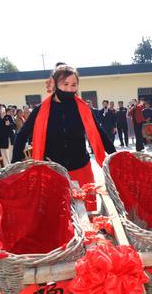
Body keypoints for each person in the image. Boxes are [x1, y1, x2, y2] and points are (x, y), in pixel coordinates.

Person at [11, 64, 116, 210]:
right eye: (65, 84)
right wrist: (14, 165)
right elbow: (22, 135)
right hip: (53, 172)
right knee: (57, 214)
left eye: (74, 85)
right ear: (55, 84)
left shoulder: (83, 109)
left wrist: (115, 156)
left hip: (82, 170)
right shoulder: (41, 110)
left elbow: (100, 134)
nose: (69, 89)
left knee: (87, 214)